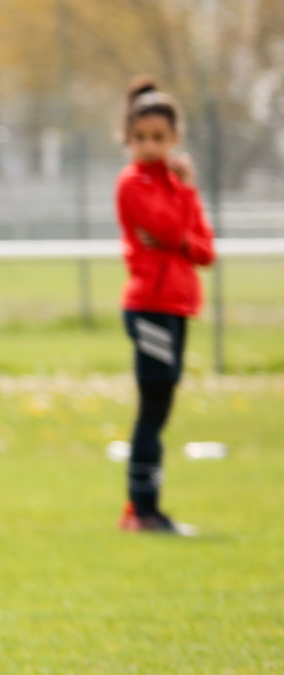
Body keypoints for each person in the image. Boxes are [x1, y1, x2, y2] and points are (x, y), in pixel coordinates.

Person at [113, 78, 216, 536]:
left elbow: (204, 251)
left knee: (160, 409)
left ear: (176, 139)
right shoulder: (133, 184)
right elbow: (173, 229)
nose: (150, 147)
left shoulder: (173, 185)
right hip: (150, 306)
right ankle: (142, 511)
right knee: (152, 409)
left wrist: (182, 229)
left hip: (177, 306)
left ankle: (143, 509)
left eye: (159, 138)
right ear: (128, 139)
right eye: (141, 139)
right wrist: (186, 193)